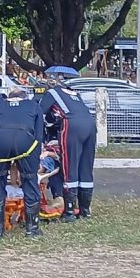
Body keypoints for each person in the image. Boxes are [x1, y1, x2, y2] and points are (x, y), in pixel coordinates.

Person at [0, 88, 44, 239]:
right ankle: (32, 229)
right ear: (24, 97)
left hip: (0, 139)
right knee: (29, 180)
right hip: (25, 139)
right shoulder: (33, 105)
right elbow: (39, 135)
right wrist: (34, 160)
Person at [39, 79, 96, 222]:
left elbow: (39, 114)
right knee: (85, 167)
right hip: (90, 124)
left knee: (70, 165)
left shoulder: (52, 93)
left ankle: (69, 211)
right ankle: (85, 210)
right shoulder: (74, 94)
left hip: (72, 124)